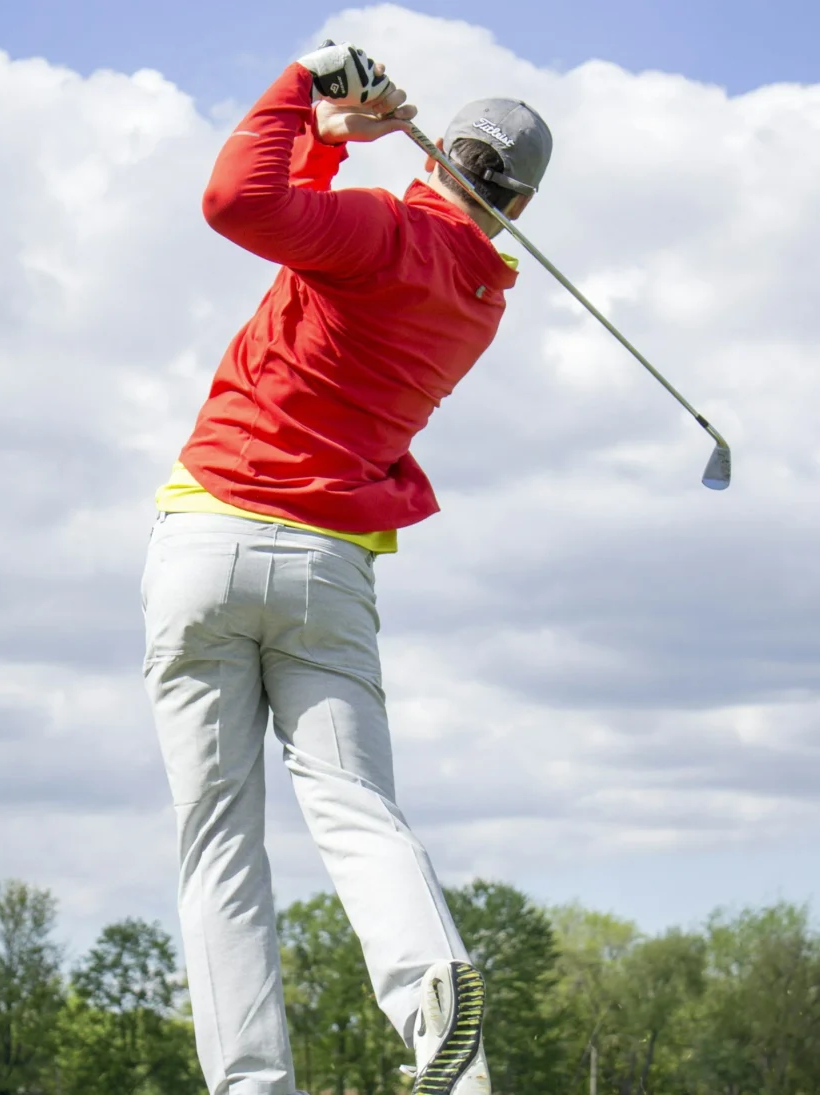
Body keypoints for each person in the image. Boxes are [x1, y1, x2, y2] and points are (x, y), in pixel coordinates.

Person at [141, 41, 552, 1095]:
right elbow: (307, 241)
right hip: (326, 572)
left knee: (218, 841)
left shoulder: (383, 227)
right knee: (357, 808)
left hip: (208, 543)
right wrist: (327, 147)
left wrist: (302, 92)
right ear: (517, 203)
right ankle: (436, 1017)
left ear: (440, 153)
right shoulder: (479, 299)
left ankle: (249, 1084)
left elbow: (238, 202)